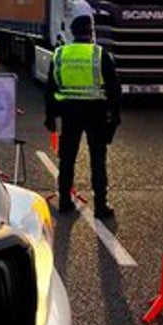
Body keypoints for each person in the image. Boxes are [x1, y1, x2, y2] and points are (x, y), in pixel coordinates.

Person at [44, 15, 121, 219]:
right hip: (96, 113)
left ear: (72, 31)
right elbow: (114, 89)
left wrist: (49, 116)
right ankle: (101, 206)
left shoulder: (60, 54)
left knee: (67, 158)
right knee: (97, 159)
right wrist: (114, 116)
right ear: (91, 31)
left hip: (69, 114)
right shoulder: (99, 54)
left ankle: (64, 201)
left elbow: (50, 87)